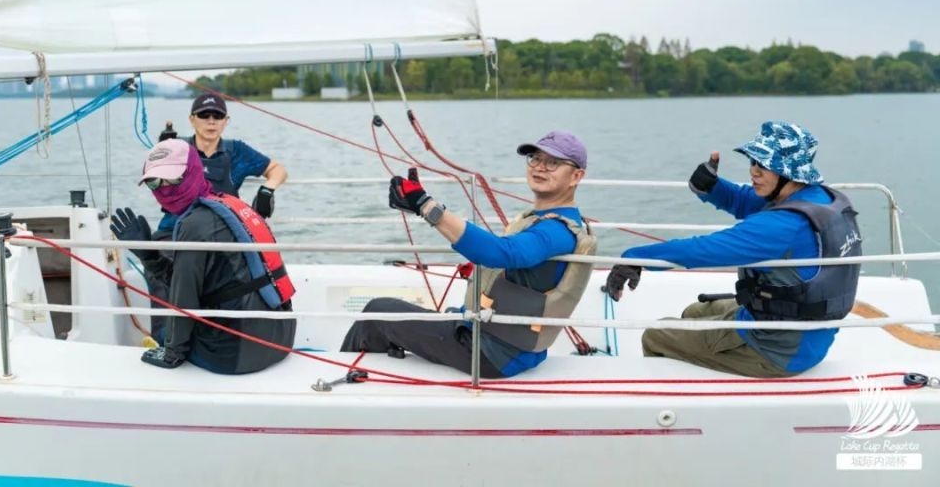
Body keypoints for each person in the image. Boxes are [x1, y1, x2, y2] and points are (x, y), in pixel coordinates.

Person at [605, 121, 862, 378]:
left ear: (788, 172)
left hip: (775, 349)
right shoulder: (820, 199)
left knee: (656, 336)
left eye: (764, 165)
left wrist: (636, 258)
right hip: (807, 335)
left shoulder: (783, 225)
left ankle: (680, 398)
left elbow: (703, 250)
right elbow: (746, 200)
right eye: (753, 161)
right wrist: (711, 186)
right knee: (695, 312)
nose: (753, 171)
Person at [341, 130, 597, 378]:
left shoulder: (555, 230)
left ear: (576, 176)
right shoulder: (558, 221)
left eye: (553, 163)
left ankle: (343, 378)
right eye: (536, 158)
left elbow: (504, 253)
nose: (540, 167)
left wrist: (426, 205)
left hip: (491, 352)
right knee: (413, 313)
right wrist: (421, 206)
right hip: (507, 344)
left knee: (377, 312)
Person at [111, 139, 297, 373]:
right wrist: (148, 253)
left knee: (166, 333)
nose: (165, 188)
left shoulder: (193, 225)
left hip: (236, 353)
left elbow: (184, 298)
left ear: (193, 171)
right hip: (281, 337)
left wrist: (172, 353)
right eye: (154, 182)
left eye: (174, 178)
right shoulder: (228, 204)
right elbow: (192, 282)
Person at [157, 93, 287, 231]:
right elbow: (154, 182)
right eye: (204, 115)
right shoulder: (178, 148)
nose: (211, 121)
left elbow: (277, 170)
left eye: (218, 116)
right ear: (192, 119)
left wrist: (267, 189)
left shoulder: (237, 151)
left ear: (225, 121)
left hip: (223, 230)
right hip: (175, 229)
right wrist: (161, 150)